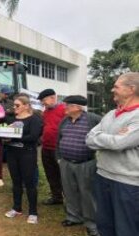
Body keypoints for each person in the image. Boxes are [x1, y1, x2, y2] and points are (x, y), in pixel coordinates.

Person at [86, 72, 139, 236]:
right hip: (103, 176)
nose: (112, 89)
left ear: (131, 89)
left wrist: (102, 137)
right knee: (105, 226)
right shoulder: (110, 114)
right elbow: (89, 139)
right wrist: (114, 138)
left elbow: (120, 143)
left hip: (127, 183)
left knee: (126, 229)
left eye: (116, 86)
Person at [57, 95, 101, 236]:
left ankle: (92, 224)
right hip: (66, 162)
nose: (65, 108)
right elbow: (59, 140)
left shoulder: (93, 119)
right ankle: (74, 217)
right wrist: (59, 158)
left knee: (87, 193)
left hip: (86, 163)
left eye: (68, 105)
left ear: (77, 107)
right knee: (70, 191)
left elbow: (105, 133)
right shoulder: (65, 121)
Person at [4, 96, 43, 224]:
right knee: (16, 182)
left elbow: (33, 137)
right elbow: (4, 134)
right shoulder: (11, 119)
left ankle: (33, 212)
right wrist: (0, 136)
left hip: (27, 154)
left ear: (26, 106)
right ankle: (17, 208)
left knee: (29, 183)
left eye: (17, 105)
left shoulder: (34, 119)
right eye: (14, 105)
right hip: (12, 154)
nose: (14, 107)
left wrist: (13, 137)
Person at [38, 89, 65, 205]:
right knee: (50, 173)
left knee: (62, 174)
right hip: (46, 148)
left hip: (59, 149)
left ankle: (69, 199)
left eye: (44, 100)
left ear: (53, 98)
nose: (43, 103)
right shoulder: (45, 112)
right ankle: (56, 196)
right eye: (42, 101)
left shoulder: (64, 109)